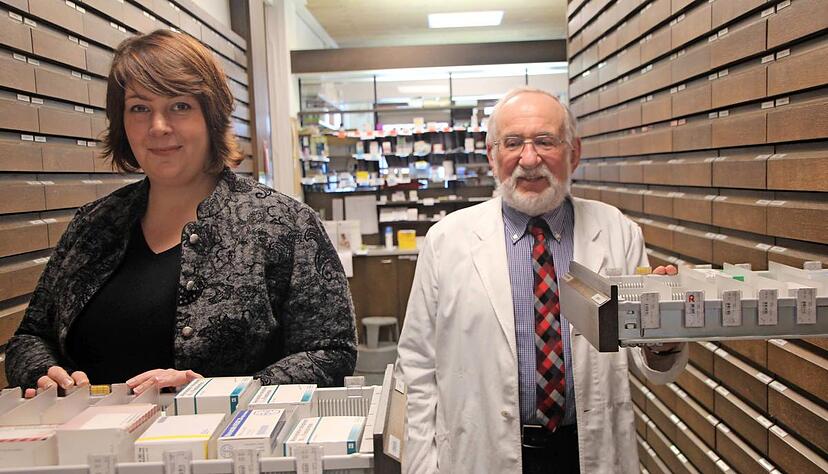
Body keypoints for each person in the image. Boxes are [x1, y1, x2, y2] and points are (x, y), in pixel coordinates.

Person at [5, 30, 357, 398]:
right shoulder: (92, 225)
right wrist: (42, 372)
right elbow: (30, 338)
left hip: (227, 447)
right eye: (140, 108)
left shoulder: (282, 224)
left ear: (211, 115)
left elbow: (331, 353)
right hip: (94, 450)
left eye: (179, 106)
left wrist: (218, 392)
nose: (158, 127)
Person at [396, 87, 688, 473]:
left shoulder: (616, 231)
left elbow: (650, 362)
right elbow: (417, 365)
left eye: (545, 142)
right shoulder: (447, 240)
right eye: (513, 143)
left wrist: (663, 335)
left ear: (574, 153)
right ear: (491, 155)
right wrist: (419, 466)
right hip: (482, 453)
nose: (529, 159)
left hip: (586, 452)